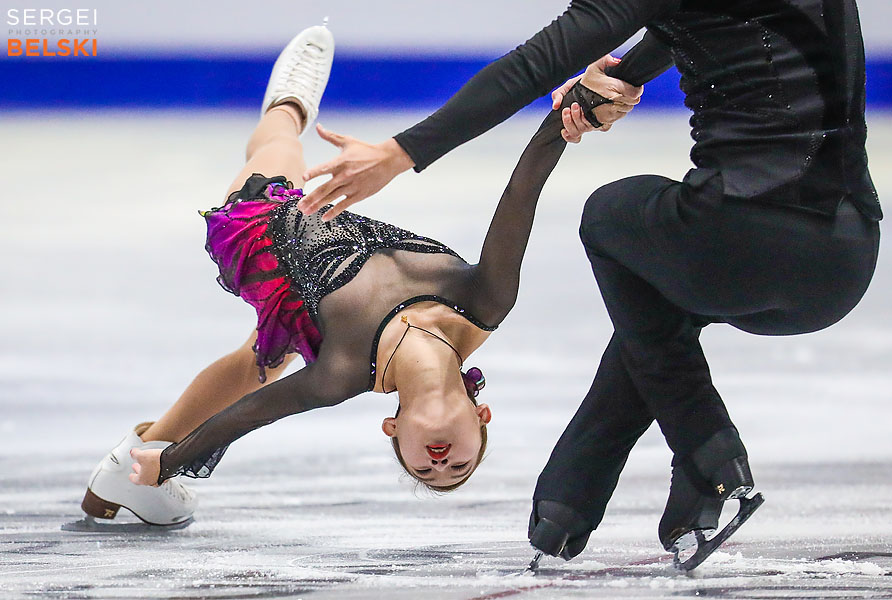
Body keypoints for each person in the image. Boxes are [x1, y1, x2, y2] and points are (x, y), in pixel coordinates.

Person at [294, 0, 882, 567]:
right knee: (655, 300)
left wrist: (402, 152)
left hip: (742, 243)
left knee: (609, 214)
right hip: (844, 260)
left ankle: (702, 453)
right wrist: (624, 75)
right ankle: (572, 498)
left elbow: (536, 63)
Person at [80, 23, 623, 527]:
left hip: (265, 236)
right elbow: (521, 193)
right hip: (338, 229)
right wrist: (567, 115)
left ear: (393, 430)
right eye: (458, 468)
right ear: (481, 415)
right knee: (262, 357)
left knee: (279, 145)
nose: (440, 464)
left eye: (425, 471)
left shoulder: (341, 372)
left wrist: (170, 463)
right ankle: (126, 467)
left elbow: (248, 417)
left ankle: (289, 103)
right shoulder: (485, 302)